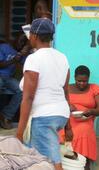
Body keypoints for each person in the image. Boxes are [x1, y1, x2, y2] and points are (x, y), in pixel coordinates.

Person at [16, 18, 72, 170]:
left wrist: (19, 133)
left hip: (44, 117)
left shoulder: (34, 59)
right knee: (36, 161)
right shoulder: (62, 58)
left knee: (52, 163)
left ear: (34, 36)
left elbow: (28, 97)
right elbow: (65, 92)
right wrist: (68, 127)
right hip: (61, 114)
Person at [60, 65, 99, 170]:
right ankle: (65, 163)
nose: (81, 84)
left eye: (84, 81)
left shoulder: (95, 89)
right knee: (59, 130)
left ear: (88, 79)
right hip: (68, 119)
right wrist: (67, 105)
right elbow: (57, 103)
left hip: (85, 120)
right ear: (74, 78)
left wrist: (91, 112)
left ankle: (82, 162)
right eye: (79, 81)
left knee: (83, 131)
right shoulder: (66, 88)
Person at [0, 36, 29, 129]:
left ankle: (6, 115)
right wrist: (14, 59)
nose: (21, 43)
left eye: (24, 42)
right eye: (20, 40)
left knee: (21, 90)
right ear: (14, 39)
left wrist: (27, 53)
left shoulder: (19, 53)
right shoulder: (4, 47)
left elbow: (27, 64)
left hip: (8, 78)